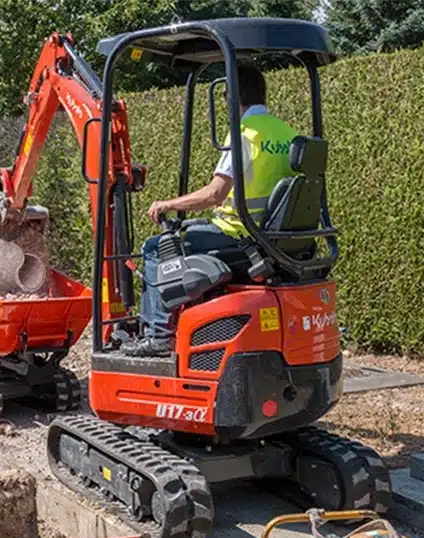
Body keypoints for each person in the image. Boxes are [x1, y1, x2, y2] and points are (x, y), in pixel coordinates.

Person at [121, 65, 301, 357]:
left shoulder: (244, 135)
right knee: (187, 233)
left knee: (155, 247)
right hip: (271, 237)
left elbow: (215, 194)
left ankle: (158, 336)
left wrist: (168, 204)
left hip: (239, 236)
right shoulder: (286, 133)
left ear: (232, 98)